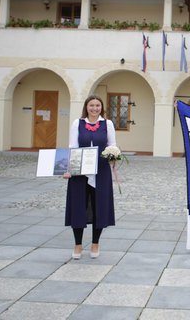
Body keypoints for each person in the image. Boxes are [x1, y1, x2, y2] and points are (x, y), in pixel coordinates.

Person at [63, 95, 117, 260]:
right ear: (86, 107)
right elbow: (73, 147)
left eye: (97, 106)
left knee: (99, 206)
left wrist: (114, 156)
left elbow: (112, 145)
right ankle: (78, 245)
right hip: (79, 173)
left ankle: (95, 243)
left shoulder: (107, 124)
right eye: (91, 105)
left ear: (102, 108)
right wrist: (69, 170)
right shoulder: (77, 123)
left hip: (101, 172)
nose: (94, 108)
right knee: (78, 206)